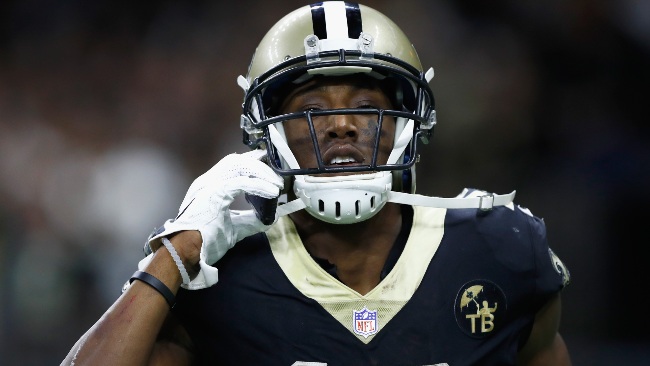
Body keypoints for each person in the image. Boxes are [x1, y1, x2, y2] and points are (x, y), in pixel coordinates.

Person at [62, 1, 572, 365]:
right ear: (267, 136)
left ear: (407, 122)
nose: (340, 125)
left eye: (366, 106)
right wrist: (175, 252)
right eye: (310, 110)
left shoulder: (501, 248)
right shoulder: (220, 279)